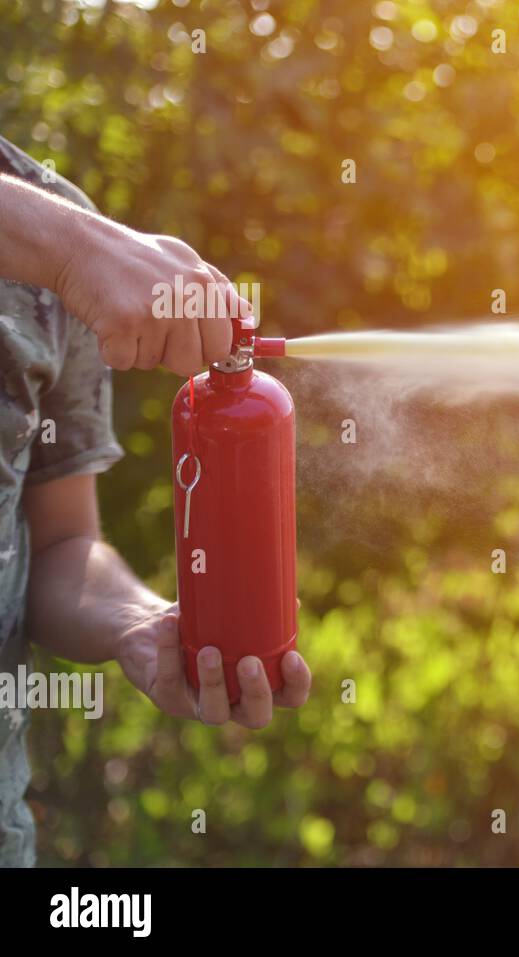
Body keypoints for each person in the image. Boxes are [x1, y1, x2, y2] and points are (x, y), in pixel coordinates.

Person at [0, 134, 311, 867]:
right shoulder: (62, 238)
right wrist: (73, 248)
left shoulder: (50, 218)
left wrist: (134, 624)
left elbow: (59, 545)